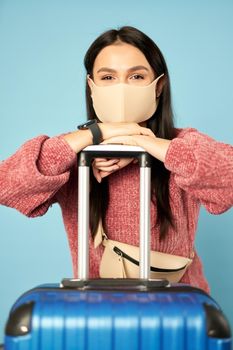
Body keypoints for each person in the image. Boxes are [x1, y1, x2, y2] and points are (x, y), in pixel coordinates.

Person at [0, 26, 232, 294]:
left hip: (179, 311)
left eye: (136, 76)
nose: (121, 88)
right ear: (92, 87)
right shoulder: (74, 152)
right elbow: (8, 185)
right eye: (108, 77)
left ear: (158, 86)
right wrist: (95, 135)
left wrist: (149, 144)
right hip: (100, 311)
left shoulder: (181, 144)